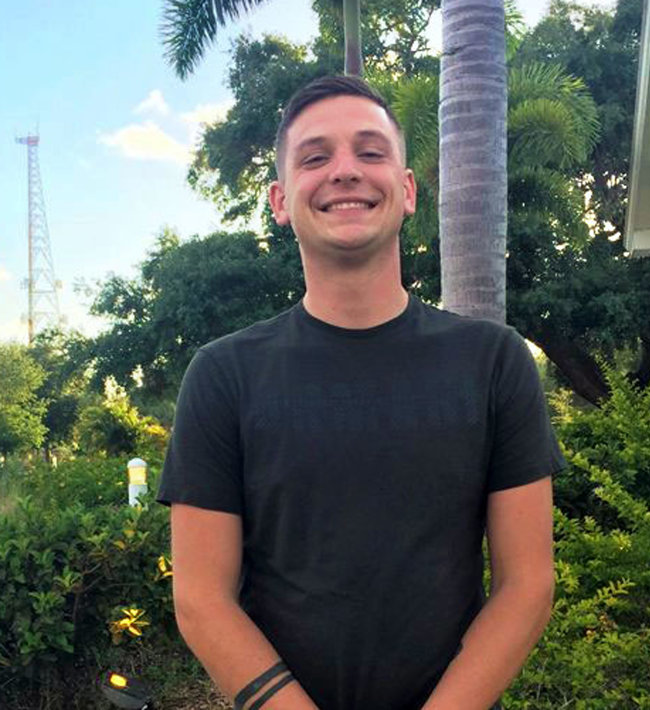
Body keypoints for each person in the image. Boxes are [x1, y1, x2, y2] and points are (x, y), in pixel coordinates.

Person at [156, 75, 566, 710]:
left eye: (370, 152)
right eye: (314, 157)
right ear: (280, 200)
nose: (345, 171)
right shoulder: (222, 375)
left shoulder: (493, 362)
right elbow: (201, 599)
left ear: (407, 190)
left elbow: (528, 584)